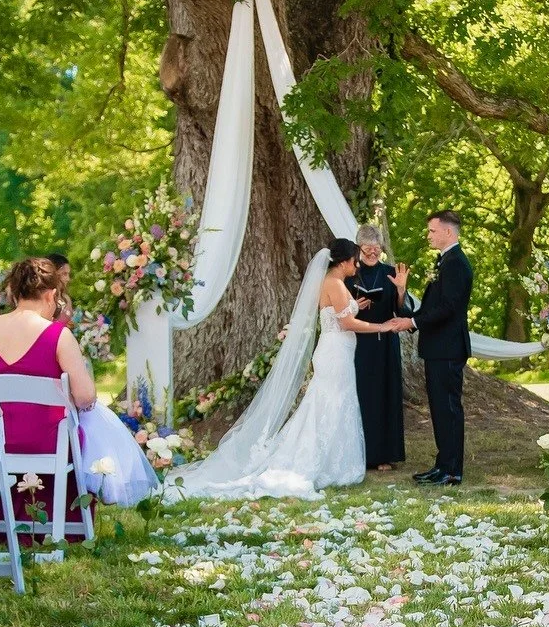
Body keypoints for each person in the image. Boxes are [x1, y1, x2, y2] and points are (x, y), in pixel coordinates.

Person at [170, 240, 404, 501]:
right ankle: (326, 463)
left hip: (337, 351)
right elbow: (347, 324)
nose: (357, 265)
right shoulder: (336, 284)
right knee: (332, 403)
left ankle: (334, 461)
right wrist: (382, 327)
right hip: (336, 352)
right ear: (344, 261)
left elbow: (335, 313)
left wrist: (355, 306)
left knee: (330, 402)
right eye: (354, 260)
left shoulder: (330, 282)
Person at [0, 258, 100, 522]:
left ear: (13, 293)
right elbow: (86, 396)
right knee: (86, 432)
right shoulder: (57, 335)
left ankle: (2, 521)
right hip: (46, 441)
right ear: (52, 295)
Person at [393, 211, 472, 486]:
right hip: (438, 348)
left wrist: (411, 321)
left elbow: (448, 308)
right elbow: (433, 307)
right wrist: (408, 310)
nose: (428, 236)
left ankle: (453, 470)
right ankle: (443, 464)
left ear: (448, 233)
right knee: (439, 409)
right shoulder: (445, 262)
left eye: (432, 231)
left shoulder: (456, 264)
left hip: (448, 348)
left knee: (448, 409)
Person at [351, 225, 406, 472]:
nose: (373, 253)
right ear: (359, 249)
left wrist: (401, 289)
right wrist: (353, 306)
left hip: (386, 343)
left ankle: (385, 454)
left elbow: (401, 311)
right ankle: (360, 452)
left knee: (386, 395)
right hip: (359, 342)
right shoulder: (350, 273)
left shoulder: (390, 272)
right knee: (362, 396)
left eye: (376, 248)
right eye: (367, 249)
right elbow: (338, 306)